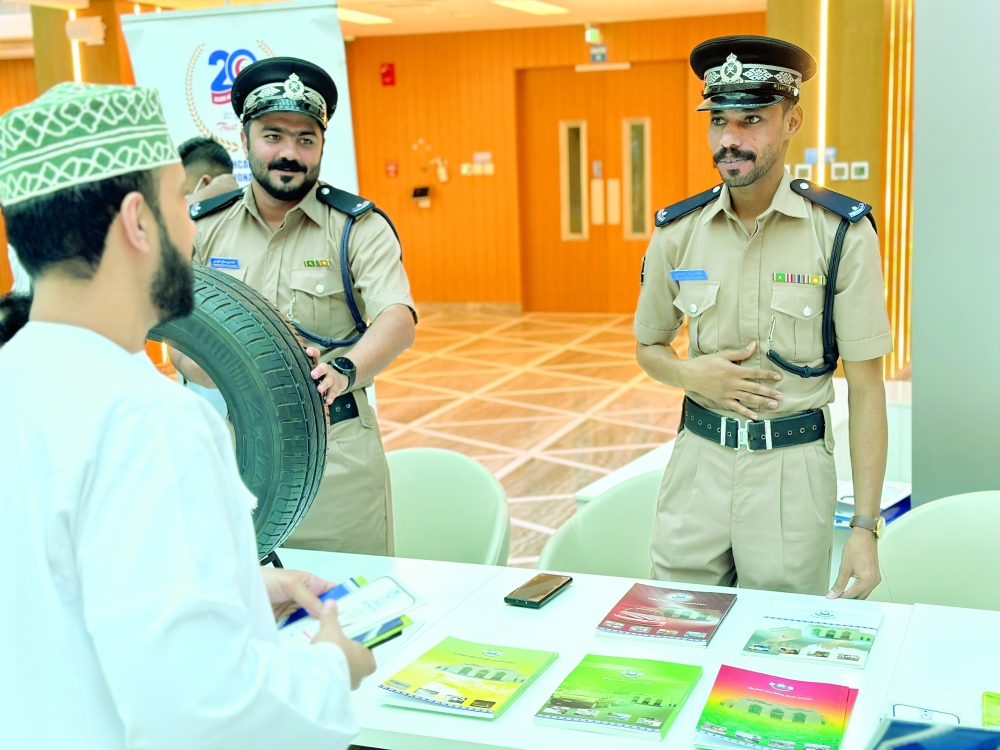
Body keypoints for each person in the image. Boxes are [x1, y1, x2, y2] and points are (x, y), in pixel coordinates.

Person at [0, 82, 374, 749]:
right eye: (182, 199)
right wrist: (329, 671)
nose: (192, 224)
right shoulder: (148, 420)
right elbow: (203, 713)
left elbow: (50, 595)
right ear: (139, 221)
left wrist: (230, 583)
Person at [635, 36, 892, 598]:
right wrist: (689, 374)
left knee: (775, 659)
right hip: (696, 467)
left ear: (792, 120)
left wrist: (864, 528)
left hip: (790, 476)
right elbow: (648, 348)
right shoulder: (677, 233)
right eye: (719, 121)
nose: (730, 139)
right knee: (678, 627)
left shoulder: (841, 234)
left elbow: (868, 390)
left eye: (752, 119)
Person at [177, 57, 416, 556]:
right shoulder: (205, 227)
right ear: (244, 140)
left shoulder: (355, 226)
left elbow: (398, 317)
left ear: (322, 145)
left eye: (306, 139)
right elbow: (177, 332)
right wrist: (232, 372)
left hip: (339, 454)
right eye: (273, 136)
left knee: (354, 607)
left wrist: (343, 370)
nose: (290, 153)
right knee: (248, 605)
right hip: (241, 452)